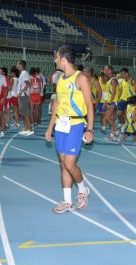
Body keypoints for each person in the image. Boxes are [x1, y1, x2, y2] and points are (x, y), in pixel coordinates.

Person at [45, 45, 94, 214]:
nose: (55, 60)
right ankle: (67, 201)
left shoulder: (81, 78)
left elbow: (89, 104)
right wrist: (50, 127)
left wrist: (90, 129)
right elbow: (57, 104)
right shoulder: (60, 79)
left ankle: (82, 188)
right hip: (61, 125)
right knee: (63, 164)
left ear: (63, 59)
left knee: (69, 163)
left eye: (56, 57)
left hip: (75, 125)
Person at [117, 68, 136, 133]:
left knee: (126, 114)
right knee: (119, 113)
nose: (122, 75)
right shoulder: (122, 81)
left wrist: (134, 98)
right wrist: (118, 99)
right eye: (121, 74)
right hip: (122, 99)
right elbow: (120, 91)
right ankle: (123, 124)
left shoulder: (132, 81)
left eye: (123, 74)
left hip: (130, 100)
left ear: (127, 73)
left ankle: (126, 128)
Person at [16, 60, 33, 136]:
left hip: (24, 95)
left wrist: (21, 92)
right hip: (22, 95)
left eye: (17, 63)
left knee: (25, 112)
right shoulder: (22, 73)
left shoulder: (24, 73)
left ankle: (29, 128)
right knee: (22, 112)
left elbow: (28, 84)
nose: (16, 65)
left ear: (21, 65)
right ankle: (26, 127)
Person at [103, 65, 118, 140]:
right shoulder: (110, 80)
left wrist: (109, 102)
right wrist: (106, 102)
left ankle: (116, 131)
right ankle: (113, 135)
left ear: (110, 70)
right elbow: (108, 92)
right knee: (111, 118)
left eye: (105, 69)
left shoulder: (113, 80)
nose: (104, 71)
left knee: (107, 117)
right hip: (110, 102)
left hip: (112, 102)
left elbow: (114, 92)